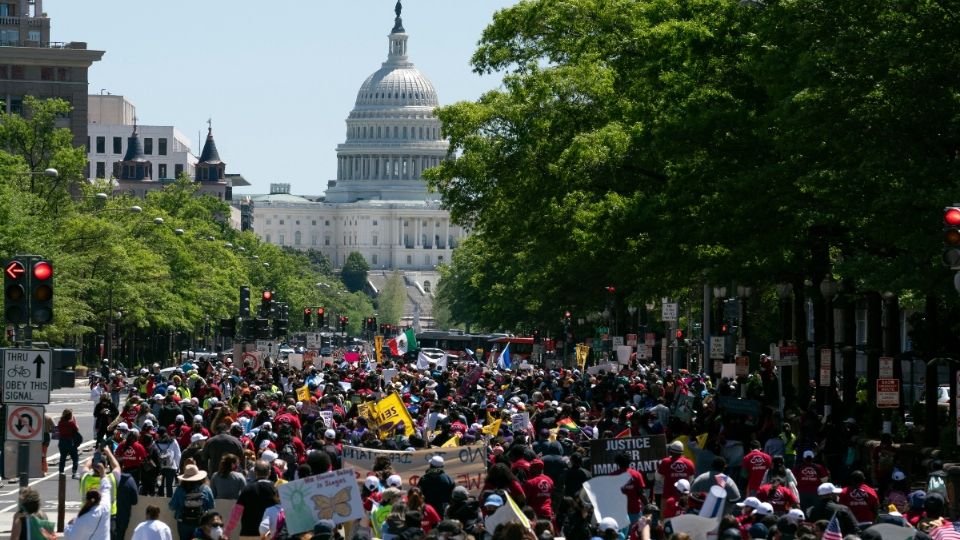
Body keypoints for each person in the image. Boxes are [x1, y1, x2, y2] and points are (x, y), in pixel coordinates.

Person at [230, 460, 278, 540]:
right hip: (269, 534)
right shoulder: (276, 489)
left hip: (248, 533)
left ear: (255, 472)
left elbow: (236, 512)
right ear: (269, 473)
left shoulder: (247, 489)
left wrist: (228, 531)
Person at [169, 464, 215, 540]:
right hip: (200, 522)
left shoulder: (180, 489)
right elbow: (211, 505)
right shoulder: (205, 488)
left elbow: (172, 506)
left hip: (183, 522)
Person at [155, 427, 182, 497]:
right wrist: (177, 466)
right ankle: (169, 504)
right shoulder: (173, 441)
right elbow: (178, 455)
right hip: (171, 467)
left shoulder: (155, 442)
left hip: (160, 468)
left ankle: (160, 503)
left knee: (160, 485)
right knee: (169, 487)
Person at [116, 470, 140, 540]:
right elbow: (135, 501)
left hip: (108, 515)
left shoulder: (106, 479)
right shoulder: (130, 480)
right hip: (123, 515)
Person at [58, 409, 82, 478]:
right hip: (70, 441)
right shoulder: (71, 423)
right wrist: (74, 421)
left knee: (62, 457)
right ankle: (74, 473)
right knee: (75, 458)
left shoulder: (60, 422)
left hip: (62, 442)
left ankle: (61, 472)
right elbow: (76, 429)